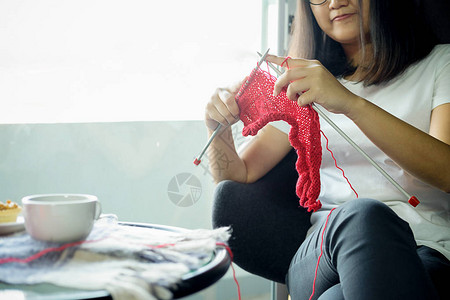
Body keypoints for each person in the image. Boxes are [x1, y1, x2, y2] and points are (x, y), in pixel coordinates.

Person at [204, 0, 450, 299]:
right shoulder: (301, 85)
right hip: (323, 256)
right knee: (365, 215)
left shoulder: (440, 64)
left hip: (425, 250)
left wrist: (349, 102)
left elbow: (446, 173)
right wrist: (216, 129)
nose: (335, 2)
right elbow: (237, 177)